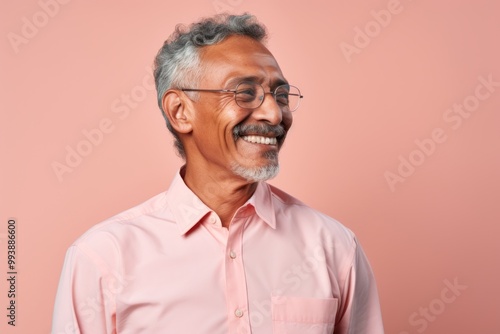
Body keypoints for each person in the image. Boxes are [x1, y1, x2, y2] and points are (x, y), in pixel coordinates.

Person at [52, 13, 384, 334]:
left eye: (280, 95)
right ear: (181, 112)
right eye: (245, 93)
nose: (273, 113)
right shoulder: (103, 258)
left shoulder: (335, 247)